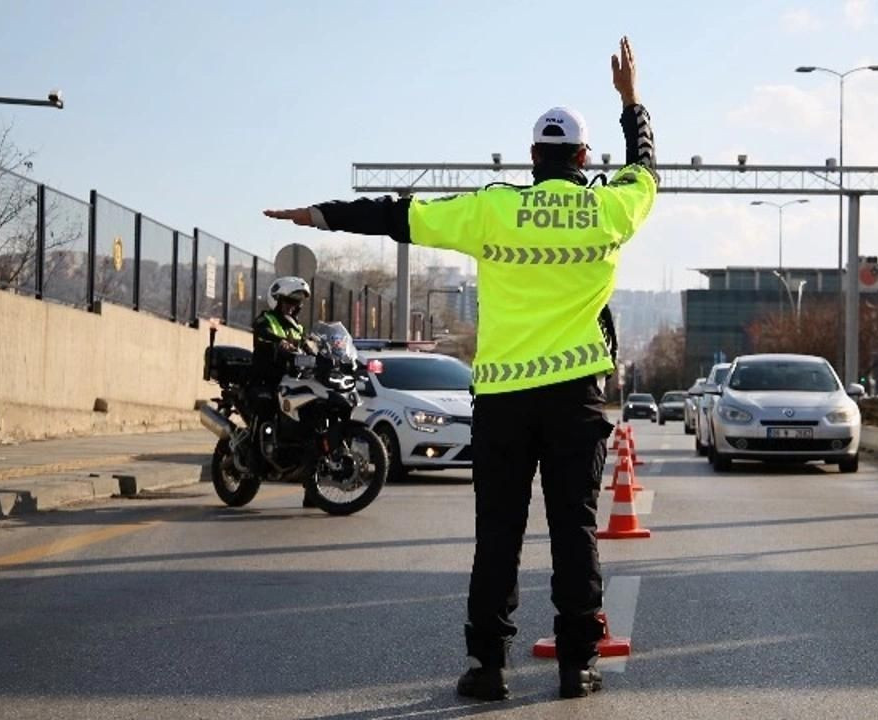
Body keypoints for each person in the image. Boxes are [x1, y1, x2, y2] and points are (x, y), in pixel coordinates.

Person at [263, 36, 657, 700]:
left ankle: (487, 668)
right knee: (575, 529)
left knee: (497, 534)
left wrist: (318, 215)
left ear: (533, 158)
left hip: (504, 400)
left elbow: (397, 216)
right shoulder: (610, 207)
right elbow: (647, 168)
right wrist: (631, 101)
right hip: (574, 400)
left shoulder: (492, 207)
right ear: (585, 159)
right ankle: (576, 664)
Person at [250, 276, 317, 507]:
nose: (294, 306)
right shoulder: (265, 319)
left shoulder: (298, 327)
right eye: (289, 301)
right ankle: (258, 455)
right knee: (266, 409)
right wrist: (279, 342)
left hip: (293, 382)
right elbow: (262, 332)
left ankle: (312, 489)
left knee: (311, 426)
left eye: (297, 302)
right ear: (277, 300)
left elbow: (308, 345)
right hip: (266, 380)